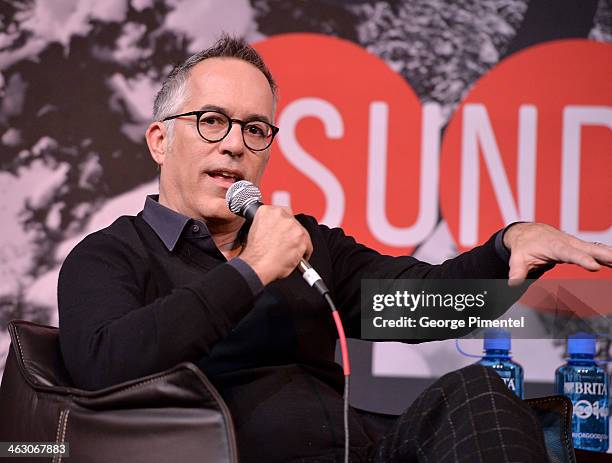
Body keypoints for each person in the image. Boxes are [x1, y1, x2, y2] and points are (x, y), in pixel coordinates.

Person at [58, 35, 612, 463]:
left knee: (478, 392)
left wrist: (509, 248)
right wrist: (251, 272)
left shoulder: (302, 241)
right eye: (212, 121)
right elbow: (104, 367)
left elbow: (412, 304)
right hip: (224, 453)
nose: (234, 142)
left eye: (256, 130)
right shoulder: (110, 255)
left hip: (356, 448)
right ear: (161, 140)